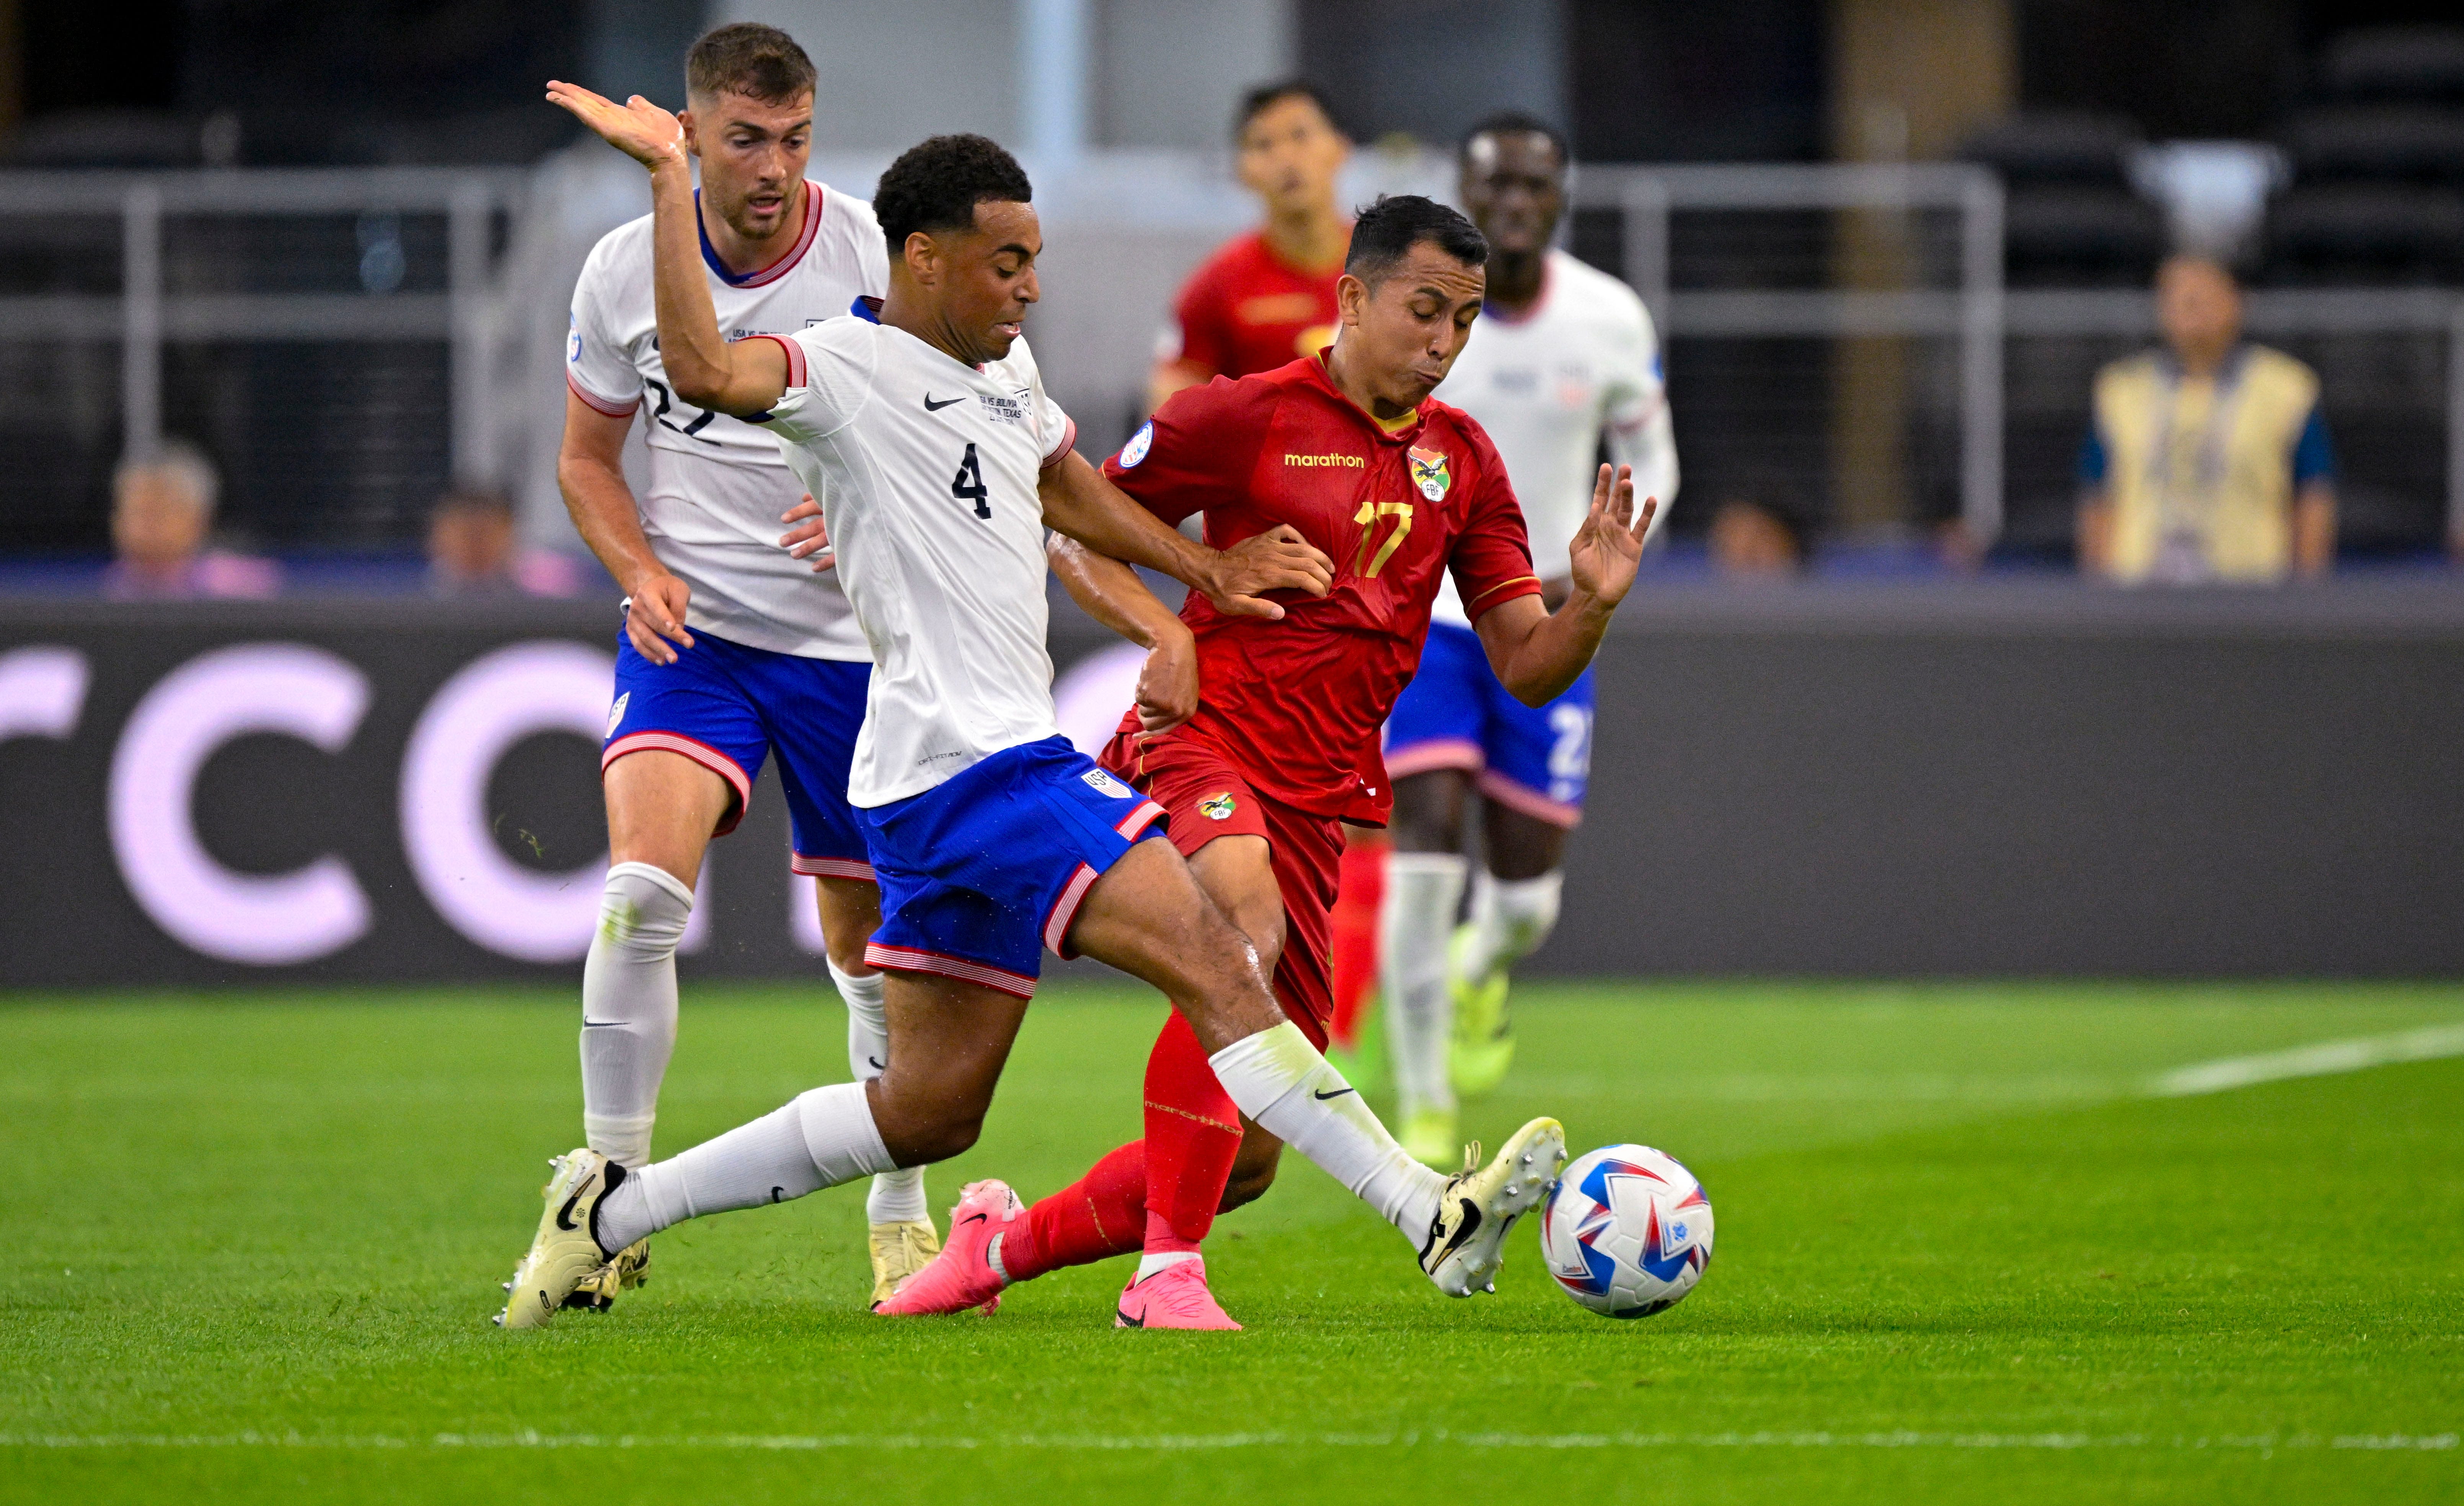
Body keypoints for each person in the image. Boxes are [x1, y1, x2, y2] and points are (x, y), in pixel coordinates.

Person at [501, 87, 1566, 1331]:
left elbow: (1066, 485)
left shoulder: (1004, 374)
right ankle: (1424, 1212)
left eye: (1034, 264)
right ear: (923, 257)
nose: (1030, 290)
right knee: (1225, 958)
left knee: (927, 1110)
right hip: (981, 769)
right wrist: (667, 180)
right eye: (1007, 264)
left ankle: (606, 1212)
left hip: (936, 781)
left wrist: (1198, 577)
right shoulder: (836, 370)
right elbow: (697, 365)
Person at [885, 194, 1662, 1330]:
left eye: (1466, 321)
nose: (1444, 342)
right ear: (1352, 298)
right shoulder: (1243, 416)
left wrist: (1588, 606)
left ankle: (991, 1251)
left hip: (1318, 796)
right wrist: (1170, 627)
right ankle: (1166, 1280)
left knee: (1249, 1156)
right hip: (1197, 744)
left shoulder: (1465, 461)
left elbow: (1525, 665)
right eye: (1424, 310)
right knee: (1235, 940)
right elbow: (1074, 530)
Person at [552, 23, 938, 1310]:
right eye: (745, 138)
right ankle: (605, 1204)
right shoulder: (622, 274)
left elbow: (959, 420)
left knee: (869, 953)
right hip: (698, 636)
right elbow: (587, 461)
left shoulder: (876, 255)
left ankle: (899, 1215)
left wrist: (870, 496)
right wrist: (633, 568)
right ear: (691, 132)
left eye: (796, 137)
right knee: (638, 898)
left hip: (853, 647)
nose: (774, 166)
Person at [1367, 115, 1680, 1166]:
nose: (1511, 203)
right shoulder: (1412, 315)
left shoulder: (1605, 316)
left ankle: (1477, 969)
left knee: (1524, 899)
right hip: (1425, 621)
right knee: (1419, 852)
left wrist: (1606, 550)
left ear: (1559, 197)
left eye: (1531, 186)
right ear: (1459, 189)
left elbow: (1653, 453)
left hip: (1544, 615)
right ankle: (1421, 1107)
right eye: (1491, 184)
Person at [2078, 256, 2336, 585]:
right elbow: (2098, 498)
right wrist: (2096, 598)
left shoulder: (2285, 388)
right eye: (2177, 296)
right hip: (2140, 599)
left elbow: (2312, 495)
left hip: (2250, 594)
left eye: (2203, 294)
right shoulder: (2121, 391)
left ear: (2237, 302)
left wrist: (2307, 597)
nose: (2190, 305)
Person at [1147, 82, 1353, 409]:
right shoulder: (1215, 286)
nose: (1286, 159)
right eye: (1263, 145)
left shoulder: (1390, 267)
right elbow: (1167, 416)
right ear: (1242, 171)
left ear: (1341, 148)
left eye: (1300, 136)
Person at [103, 440, 281, 600]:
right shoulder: (105, 591)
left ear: (199, 518)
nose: (143, 526)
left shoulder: (243, 588)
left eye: (157, 513)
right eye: (134, 513)